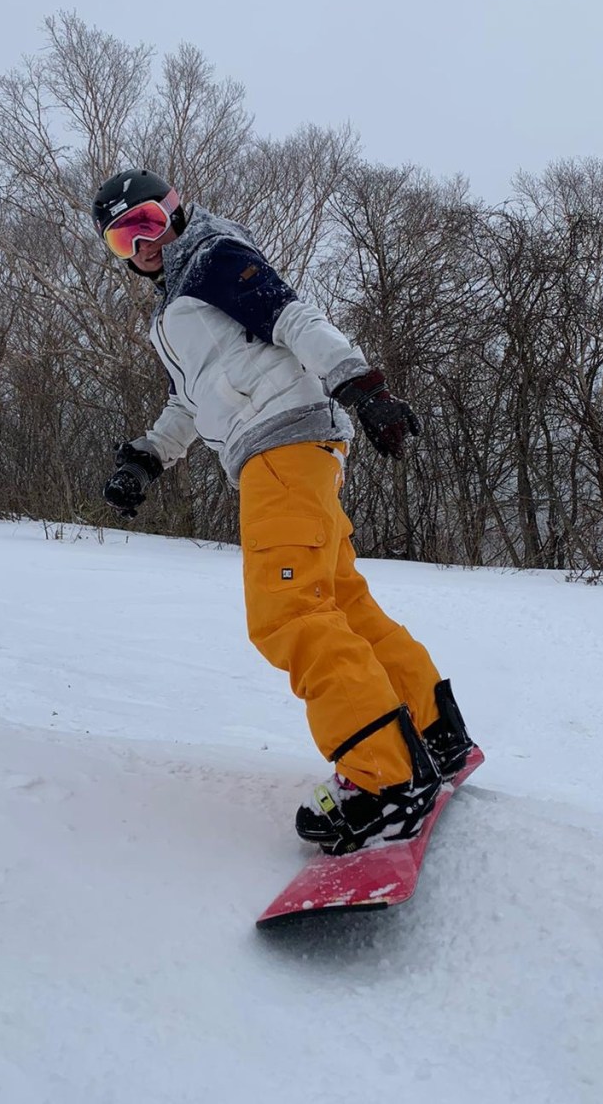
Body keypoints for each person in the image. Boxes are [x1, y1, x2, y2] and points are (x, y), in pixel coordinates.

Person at [93, 169, 477, 855]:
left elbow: (293, 317)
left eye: (148, 221)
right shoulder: (177, 306)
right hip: (294, 447)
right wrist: (147, 456)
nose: (142, 244)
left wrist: (362, 386)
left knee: (287, 612)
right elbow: (193, 401)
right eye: (124, 237)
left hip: (282, 440)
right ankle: (431, 732)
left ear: (175, 211)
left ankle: (385, 780)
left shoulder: (212, 257)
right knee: (340, 602)